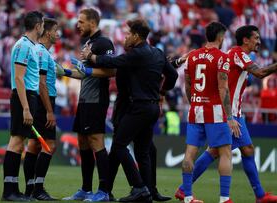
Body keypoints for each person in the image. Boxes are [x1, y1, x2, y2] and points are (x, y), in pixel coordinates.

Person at [175, 25, 277, 203]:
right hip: (225, 110)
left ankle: (260, 195)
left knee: (246, 149)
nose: (259, 42)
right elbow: (260, 73)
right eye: (256, 38)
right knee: (218, 151)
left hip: (230, 110)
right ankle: (187, 190)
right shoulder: (237, 53)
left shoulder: (233, 54)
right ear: (246, 40)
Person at [80, 18, 178, 202]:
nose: (125, 37)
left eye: (127, 34)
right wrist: (162, 91)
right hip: (152, 107)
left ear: (135, 36)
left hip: (137, 107)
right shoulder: (157, 53)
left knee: (118, 145)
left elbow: (112, 62)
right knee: (143, 151)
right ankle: (146, 193)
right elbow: (172, 74)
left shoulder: (136, 54)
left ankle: (138, 187)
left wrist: (91, 57)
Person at [71, 52, 190, 202]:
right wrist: (91, 59)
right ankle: (129, 189)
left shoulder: (137, 59)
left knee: (140, 150)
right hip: (125, 111)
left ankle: (145, 190)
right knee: (120, 150)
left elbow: (158, 69)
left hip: (134, 111)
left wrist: (177, 62)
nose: (127, 37)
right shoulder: (129, 60)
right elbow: (116, 65)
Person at [179, 22, 241, 203]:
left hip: (195, 110)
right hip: (215, 112)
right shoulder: (222, 58)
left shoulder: (192, 56)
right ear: (221, 37)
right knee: (225, 153)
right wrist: (230, 117)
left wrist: (194, 103)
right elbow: (223, 88)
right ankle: (224, 198)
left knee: (189, 153)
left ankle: (188, 197)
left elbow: (188, 86)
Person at [63, 8, 114, 202]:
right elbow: (84, 73)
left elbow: (111, 71)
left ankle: (103, 191)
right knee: (82, 142)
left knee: (96, 142)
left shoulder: (104, 43)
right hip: (84, 99)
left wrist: (87, 69)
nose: (78, 25)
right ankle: (85, 189)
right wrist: (65, 72)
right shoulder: (88, 43)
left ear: (92, 23)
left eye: (81, 22)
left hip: (96, 100)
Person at [1, 11, 44, 202]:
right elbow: (18, 77)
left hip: (28, 96)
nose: (43, 27)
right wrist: (26, 107)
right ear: (38, 26)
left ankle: (13, 189)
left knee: (19, 144)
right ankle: (9, 192)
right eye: (42, 24)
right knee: (16, 142)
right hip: (23, 97)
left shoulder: (30, 46)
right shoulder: (24, 46)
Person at [23, 17, 60, 201]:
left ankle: (30, 188)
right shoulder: (43, 53)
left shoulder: (36, 50)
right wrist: (50, 111)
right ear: (48, 32)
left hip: (36, 101)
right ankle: (38, 188)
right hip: (44, 101)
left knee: (33, 145)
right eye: (56, 31)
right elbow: (42, 83)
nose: (58, 34)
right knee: (50, 145)